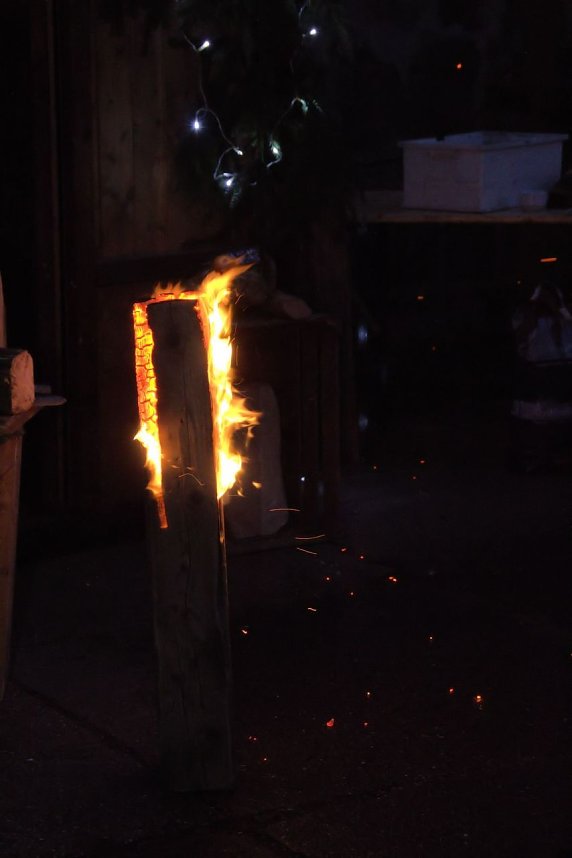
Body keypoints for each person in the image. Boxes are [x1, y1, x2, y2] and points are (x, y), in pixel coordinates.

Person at [509, 270, 572, 471]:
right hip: (537, 376)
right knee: (538, 421)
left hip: (561, 374)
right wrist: (536, 309)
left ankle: (557, 456)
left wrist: (557, 308)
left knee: (560, 420)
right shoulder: (527, 316)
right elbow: (520, 336)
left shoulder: (564, 318)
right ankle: (539, 458)